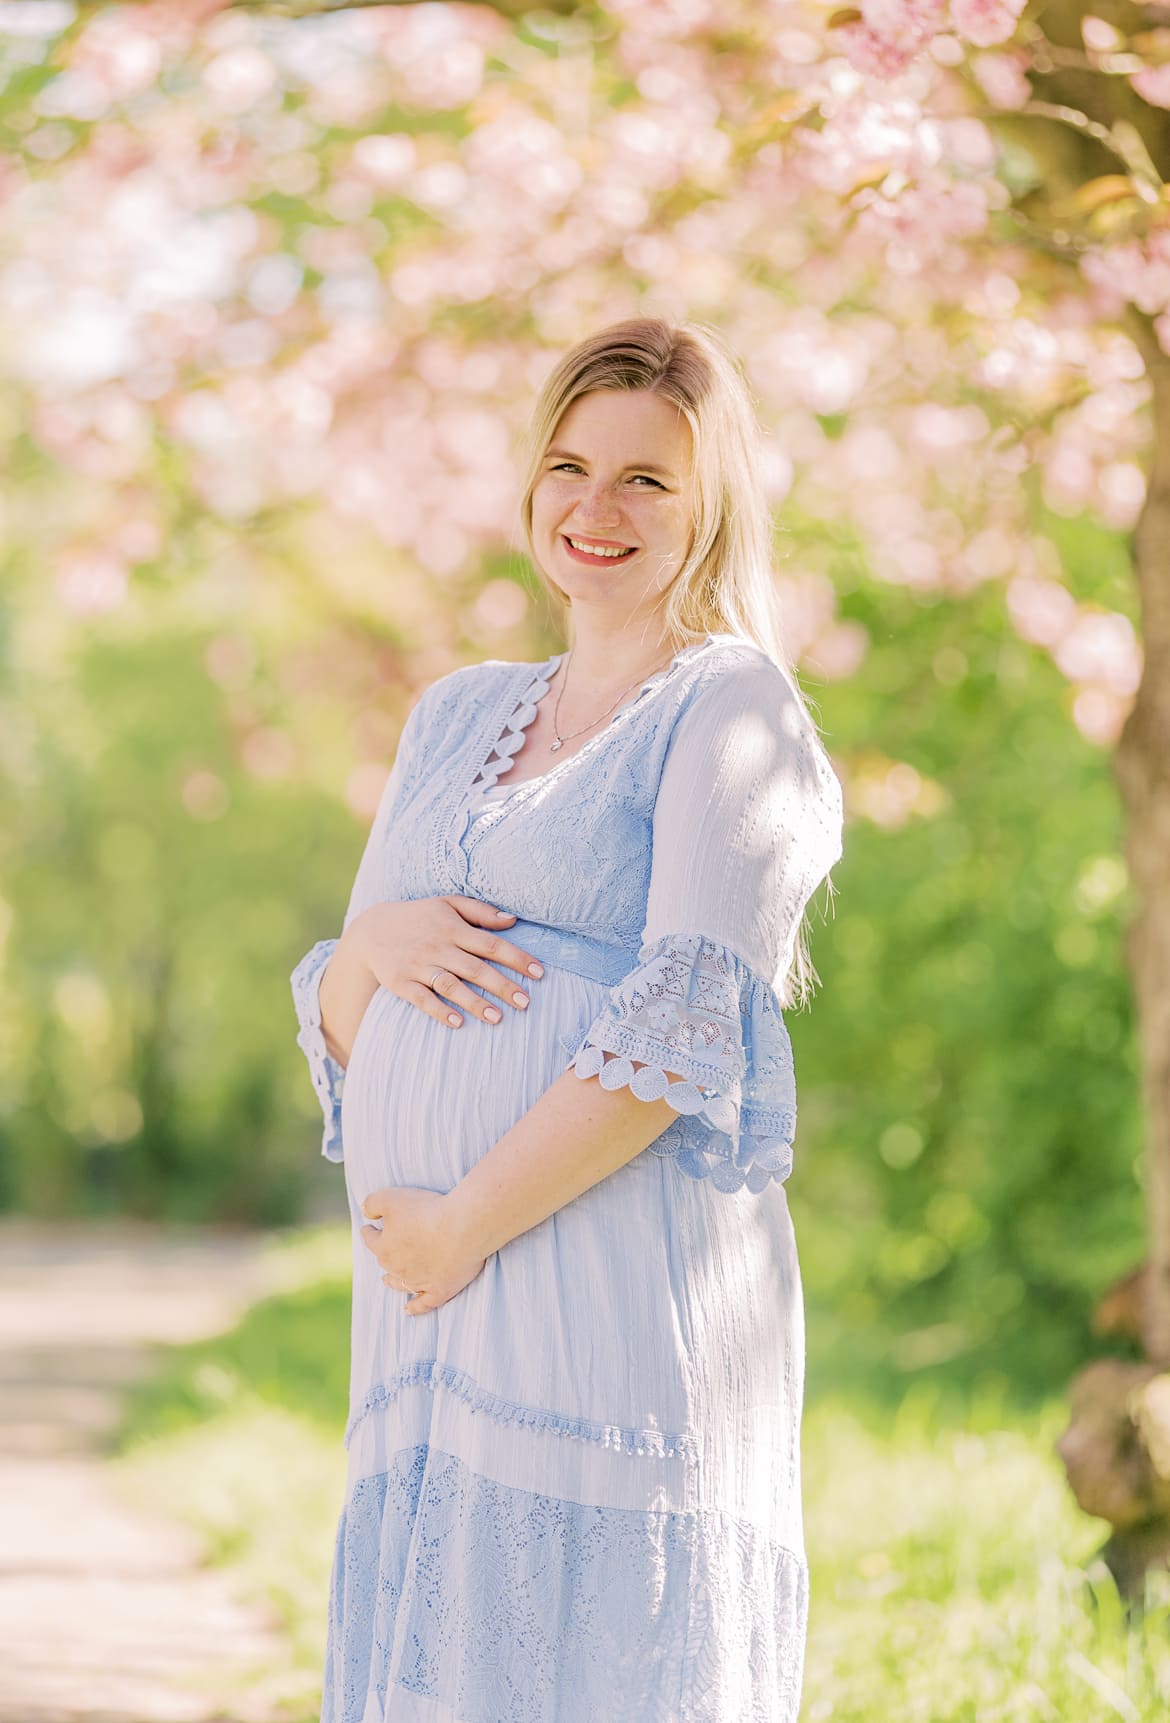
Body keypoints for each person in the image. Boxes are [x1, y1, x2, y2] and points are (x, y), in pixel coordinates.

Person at [291, 316, 845, 1722]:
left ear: (710, 502)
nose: (595, 510)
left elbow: (679, 1029)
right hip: (428, 1305)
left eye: (646, 480)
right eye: (568, 467)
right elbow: (350, 1032)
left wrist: (462, 1225)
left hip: (595, 1270)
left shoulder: (731, 708)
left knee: (590, 1655)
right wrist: (368, 939)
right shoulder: (455, 712)